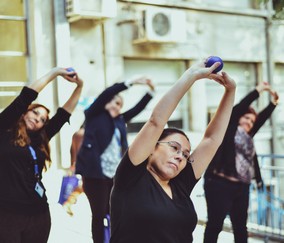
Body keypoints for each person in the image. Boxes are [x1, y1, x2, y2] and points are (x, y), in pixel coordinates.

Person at [110, 60, 236, 243]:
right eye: (174, 148)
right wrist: (191, 76)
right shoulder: (130, 177)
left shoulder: (180, 184)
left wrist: (230, 91)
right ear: (152, 148)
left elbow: (212, 140)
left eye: (185, 154)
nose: (180, 156)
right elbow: (156, 121)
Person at [0, 67, 83, 243]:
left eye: (43, 119)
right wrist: (56, 72)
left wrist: (79, 86)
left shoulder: (39, 139)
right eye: (35, 112)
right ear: (25, 112)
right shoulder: (4, 129)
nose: (38, 119)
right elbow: (27, 95)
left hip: (39, 214)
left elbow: (64, 114)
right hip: (7, 214)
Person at [75, 76, 155, 243]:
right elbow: (107, 94)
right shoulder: (93, 115)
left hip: (115, 176)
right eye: (112, 102)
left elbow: (137, 110)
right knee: (98, 214)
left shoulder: (119, 120)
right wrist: (130, 82)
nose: (115, 105)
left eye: (119, 104)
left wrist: (150, 93)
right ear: (104, 103)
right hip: (95, 176)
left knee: (115, 212)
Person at [203, 82, 279, 243]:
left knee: (240, 228)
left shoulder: (248, 138)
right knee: (215, 225)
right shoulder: (228, 129)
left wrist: (273, 103)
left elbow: (261, 120)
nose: (249, 123)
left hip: (241, 187)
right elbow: (240, 106)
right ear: (238, 118)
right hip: (219, 184)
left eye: (252, 121)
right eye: (246, 118)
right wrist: (258, 90)